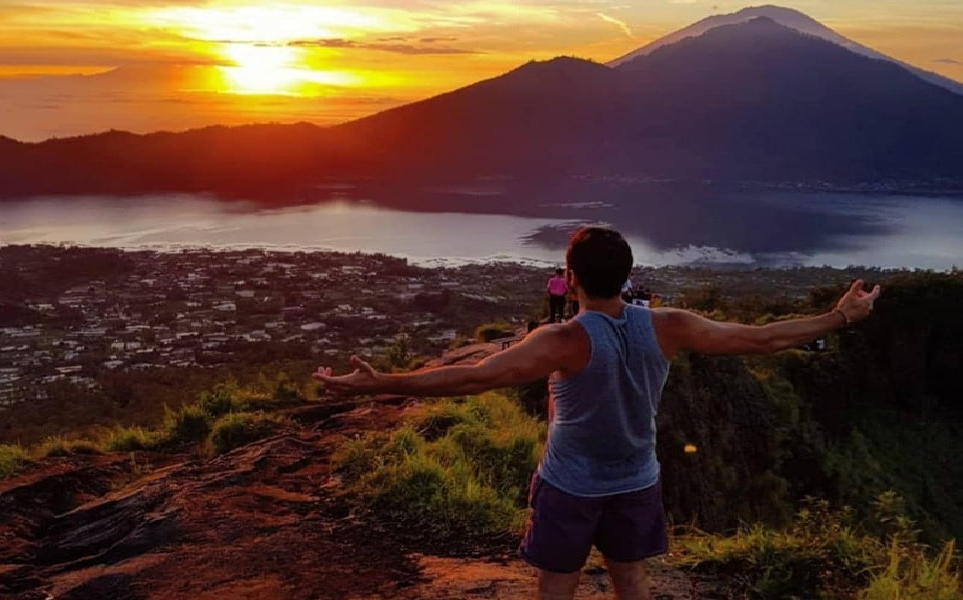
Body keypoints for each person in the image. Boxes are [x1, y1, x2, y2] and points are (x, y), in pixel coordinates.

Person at [314, 227, 881, 600]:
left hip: (571, 484)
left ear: (573, 278)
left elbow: (475, 377)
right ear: (629, 275)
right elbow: (758, 340)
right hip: (637, 478)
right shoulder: (668, 325)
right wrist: (839, 317)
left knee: (557, 582)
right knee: (630, 577)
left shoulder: (562, 339)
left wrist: (380, 383)